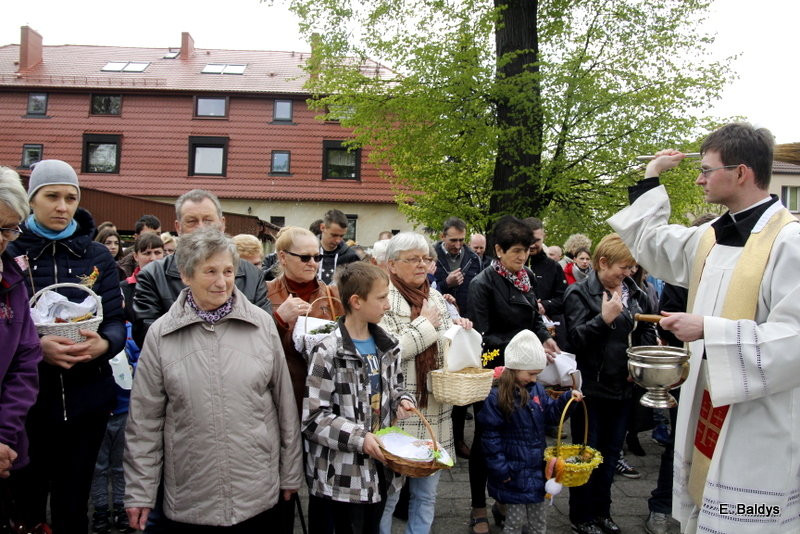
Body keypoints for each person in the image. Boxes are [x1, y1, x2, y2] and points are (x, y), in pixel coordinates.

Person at [608, 123, 800, 534]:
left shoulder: (790, 243)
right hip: (705, 404)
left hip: (756, 419)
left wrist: (709, 331)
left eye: (707, 169)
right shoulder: (711, 238)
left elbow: (794, 339)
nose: (699, 178)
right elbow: (651, 243)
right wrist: (651, 176)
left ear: (741, 173)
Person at [123, 228, 302, 533]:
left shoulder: (261, 325)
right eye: (210, 271)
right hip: (191, 495)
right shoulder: (162, 334)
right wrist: (140, 491)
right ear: (186, 275)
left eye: (228, 271)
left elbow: (284, 405)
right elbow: (144, 421)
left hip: (257, 491)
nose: (222, 282)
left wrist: (291, 472)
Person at [5, 159, 126, 533]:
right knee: (26, 507)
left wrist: (103, 344)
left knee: (74, 505)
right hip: (28, 408)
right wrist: (38, 349)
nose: (62, 206)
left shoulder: (97, 256)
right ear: (32, 200)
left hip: (86, 403)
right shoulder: (9, 250)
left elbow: (117, 322)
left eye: (71, 198)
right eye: (52, 196)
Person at [303, 261, 416, 534]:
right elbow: (314, 419)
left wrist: (402, 399)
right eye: (381, 297)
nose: (387, 304)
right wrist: (359, 438)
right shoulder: (327, 351)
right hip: (343, 476)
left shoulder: (388, 345)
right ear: (356, 301)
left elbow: (395, 386)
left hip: (381, 468)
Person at [466, 215, 559, 534]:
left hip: (524, 370)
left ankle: (506, 500)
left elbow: (533, 317)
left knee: (519, 437)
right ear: (498, 250)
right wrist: (523, 347)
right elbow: (482, 335)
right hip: (496, 370)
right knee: (485, 440)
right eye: (516, 251)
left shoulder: (527, 277)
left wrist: (543, 336)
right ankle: (478, 507)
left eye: (527, 251)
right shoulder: (482, 284)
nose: (522, 257)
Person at [377, 232, 471, 534]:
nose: (423, 265)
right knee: (390, 493)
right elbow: (389, 352)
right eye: (413, 259)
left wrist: (458, 331)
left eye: (426, 259)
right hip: (401, 409)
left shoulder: (433, 296)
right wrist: (426, 326)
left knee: (427, 494)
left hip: (436, 408)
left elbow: (445, 348)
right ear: (392, 264)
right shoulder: (383, 298)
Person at [563, 233, 657, 534]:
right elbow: (575, 340)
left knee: (611, 454)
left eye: (631, 268)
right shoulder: (579, 294)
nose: (628, 274)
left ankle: (603, 512)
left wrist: (638, 365)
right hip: (591, 390)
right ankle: (582, 516)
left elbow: (641, 331)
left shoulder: (634, 292)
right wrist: (602, 320)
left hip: (623, 388)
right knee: (586, 455)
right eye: (623, 267)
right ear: (602, 263)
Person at [132, 189, 270, 347]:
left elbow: (262, 332)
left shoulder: (252, 275)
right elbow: (147, 336)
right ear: (178, 227)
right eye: (192, 221)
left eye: (208, 220)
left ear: (222, 224)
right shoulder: (153, 275)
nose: (201, 228)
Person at [91, 233, 164, 534]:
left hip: (124, 410)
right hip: (103, 408)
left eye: (157, 251)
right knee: (99, 467)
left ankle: (120, 508)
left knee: (120, 465)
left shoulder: (131, 335)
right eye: (146, 252)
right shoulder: (98, 333)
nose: (151, 257)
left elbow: (139, 363)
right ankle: (99, 511)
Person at [479, 330, 583, 534]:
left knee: (539, 521)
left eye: (538, 373)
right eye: (531, 374)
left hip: (536, 469)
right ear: (516, 369)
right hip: (513, 471)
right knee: (514, 523)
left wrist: (567, 400)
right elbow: (490, 438)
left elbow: (551, 415)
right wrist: (501, 470)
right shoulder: (496, 398)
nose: (535, 379)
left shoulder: (536, 390)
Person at [267, 226, 344, 415]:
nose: (312, 263)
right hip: (281, 392)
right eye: (305, 257)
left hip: (325, 395)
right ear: (283, 257)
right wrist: (278, 319)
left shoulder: (332, 295)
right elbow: (252, 343)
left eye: (317, 257)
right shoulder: (265, 292)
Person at [0, 168, 42, 515]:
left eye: (10, 229)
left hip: (7, 443)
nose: (3, 239)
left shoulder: (12, 279)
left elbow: (25, 359)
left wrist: (3, 436)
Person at [433, 217, 482, 316]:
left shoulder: (474, 259)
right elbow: (424, 290)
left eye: (461, 240)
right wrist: (446, 283)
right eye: (453, 240)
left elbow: (480, 293)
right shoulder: (430, 257)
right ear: (442, 236)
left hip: (468, 319)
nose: (458, 245)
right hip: (440, 317)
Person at [317, 209, 360, 284]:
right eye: (334, 235)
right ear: (322, 227)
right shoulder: (307, 254)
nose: (338, 240)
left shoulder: (351, 257)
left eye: (342, 236)